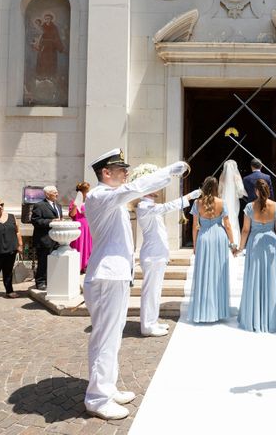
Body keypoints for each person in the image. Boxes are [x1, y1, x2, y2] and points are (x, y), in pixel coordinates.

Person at [83, 148, 187, 420]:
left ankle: (107, 386)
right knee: (105, 337)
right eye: (121, 169)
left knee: (112, 336)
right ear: (106, 173)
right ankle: (97, 398)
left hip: (115, 274)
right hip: (107, 276)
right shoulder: (100, 195)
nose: (126, 173)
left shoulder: (112, 199)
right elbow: (135, 188)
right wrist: (168, 172)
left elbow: (131, 191)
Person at [136, 178, 201, 337]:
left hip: (157, 254)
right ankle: (147, 326)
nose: (158, 189)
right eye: (155, 186)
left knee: (156, 291)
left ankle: (152, 321)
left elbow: (163, 208)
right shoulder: (143, 205)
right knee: (150, 291)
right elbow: (167, 207)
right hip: (152, 255)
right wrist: (188, 197)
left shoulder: (151, 206)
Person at [237, 179, 276, 333]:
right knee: (272, 279)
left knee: (255, 278)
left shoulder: (249, 207)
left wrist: (240, 247)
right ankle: (272, 319)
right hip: (271, 243)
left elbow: (245, 230)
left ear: (256, 191)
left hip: (255, 244)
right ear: (268, 191)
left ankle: (254, 317)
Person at [188, 176, 236, 323]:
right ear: (216, 188)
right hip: (219, 237)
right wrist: (233, 243)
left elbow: (195, 226)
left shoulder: (197, 203)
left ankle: (203, 310)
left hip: (203, 237)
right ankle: (218, 310)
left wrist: (195, 245)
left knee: (204, 273)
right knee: (218, 273)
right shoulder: (221, 203)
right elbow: (227, 225)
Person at [31, 186, 62, 290]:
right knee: (43, 262)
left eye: (57, 192)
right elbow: (36, 221)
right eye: (54, 192)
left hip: (56, 239)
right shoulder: (39, 205)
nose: (57, 194)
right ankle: (40, 282)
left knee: (54, 262)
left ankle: (51, 280)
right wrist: (51, 222)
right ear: (47, 194)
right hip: (44, 239)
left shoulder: (58, 206)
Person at [218, 159, 247, 247]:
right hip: (234, 200)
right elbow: (241, 190)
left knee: (224, 218)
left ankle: (224, 241)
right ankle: (234, 241)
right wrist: (245, 195)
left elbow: (219, 190)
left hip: (223, 200)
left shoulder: (221, 177)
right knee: (233, 218)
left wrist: (220, 197)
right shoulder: (236, 176)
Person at [69, 182, 93, 273]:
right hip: (79, 226)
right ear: (83, 191)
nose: (88, 192)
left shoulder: (89, 202)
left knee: (88, 245)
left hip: (88, 226)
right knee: (79, 245)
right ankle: (77, 266)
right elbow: (72, 214)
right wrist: (75, 205)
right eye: (87, 191)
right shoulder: (74, 202)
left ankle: (87, 265)